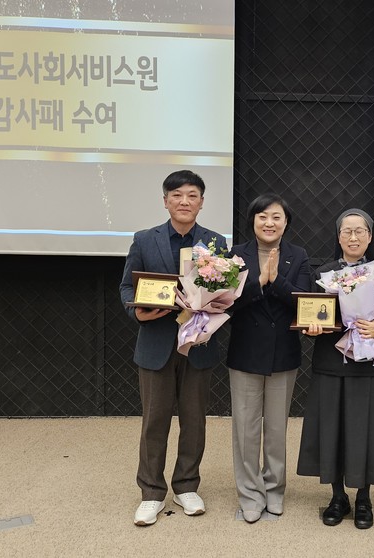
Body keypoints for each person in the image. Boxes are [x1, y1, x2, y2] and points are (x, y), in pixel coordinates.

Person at [119, 169, 227, 526]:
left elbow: (227, 290)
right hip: (156, 343)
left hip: (198, 344)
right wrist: (139, 312)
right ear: (165, 201)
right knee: (155, 422)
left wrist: (216, 304)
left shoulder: (215, 243)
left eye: (192, 195)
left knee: (194, 421)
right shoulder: (144, 240)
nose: (184, 201)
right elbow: (126, 288)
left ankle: (186, 486)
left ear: (201, 202)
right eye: (177, 195)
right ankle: (151, 492)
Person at [297, 208, 374, 530]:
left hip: (368, 364)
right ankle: (337, 496)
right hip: (330, 362)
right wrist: (311, 328)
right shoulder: (323, 273)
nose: (353, 237)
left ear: (370, 237)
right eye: (347, 231)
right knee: (332, 429)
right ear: (338, 236)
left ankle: (364, 498)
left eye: (360, 231)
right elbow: (310, 312)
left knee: (365, 430)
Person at [226, 194, 311, 523]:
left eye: (276, 217)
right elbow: (227, 303)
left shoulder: (298, 255)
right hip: (245, 352)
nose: (269, 223)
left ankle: (274, 490)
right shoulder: (236, 255)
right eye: (262, 216)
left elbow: (303, 302)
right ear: (253, 221)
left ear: (286, 223)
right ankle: (250, 493)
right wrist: (258, 282)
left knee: (276, 430)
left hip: (283, 354)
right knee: (245, 430)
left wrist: (275, 281)